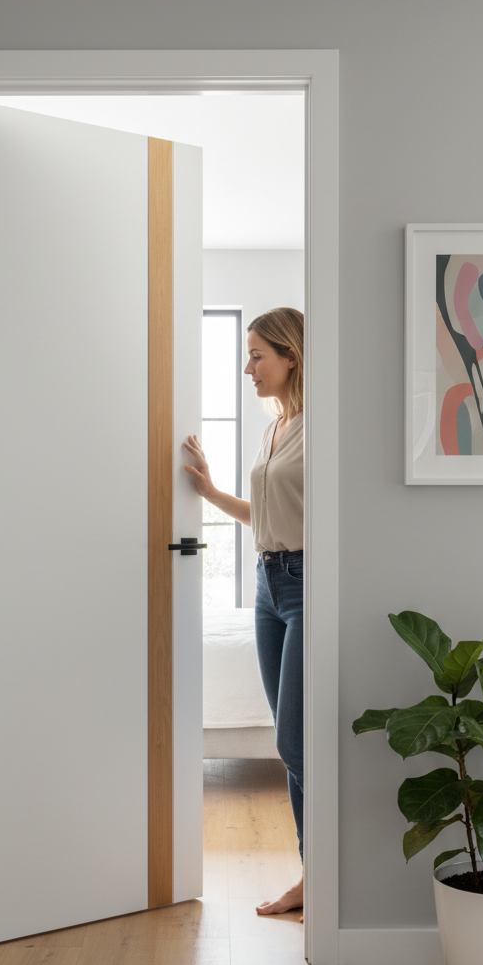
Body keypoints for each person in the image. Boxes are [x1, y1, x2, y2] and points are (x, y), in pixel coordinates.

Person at [184, 307, 304, 917]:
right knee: (291, 743)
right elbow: (267, 518)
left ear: (291, 356)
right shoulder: (275, 428)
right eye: (247, 355)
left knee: (295, 739)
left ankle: (323, 877)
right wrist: (208, 493)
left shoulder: (320, 426)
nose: (248, 368)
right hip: (267, 584)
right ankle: (318, 877)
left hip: (308, 585)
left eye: (258, 355)